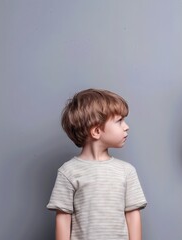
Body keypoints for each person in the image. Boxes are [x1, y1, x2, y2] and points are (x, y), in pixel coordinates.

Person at [47, 89, 147, 240]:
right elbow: (63, 218)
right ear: (96, 131)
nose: (126, 126)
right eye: (119, 120)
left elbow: (133, 215)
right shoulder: (68, 172)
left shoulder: (126, 171)